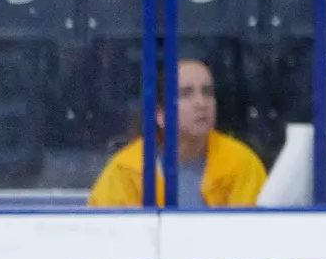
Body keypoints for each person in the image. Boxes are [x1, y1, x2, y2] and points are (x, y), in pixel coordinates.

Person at [88, 59, 267, 208]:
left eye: (207, 92)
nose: (201, 103)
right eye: (186, 94)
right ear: (160, 115)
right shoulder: (125, 172)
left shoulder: (242, 164)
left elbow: (257, 240)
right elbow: (103, 240)